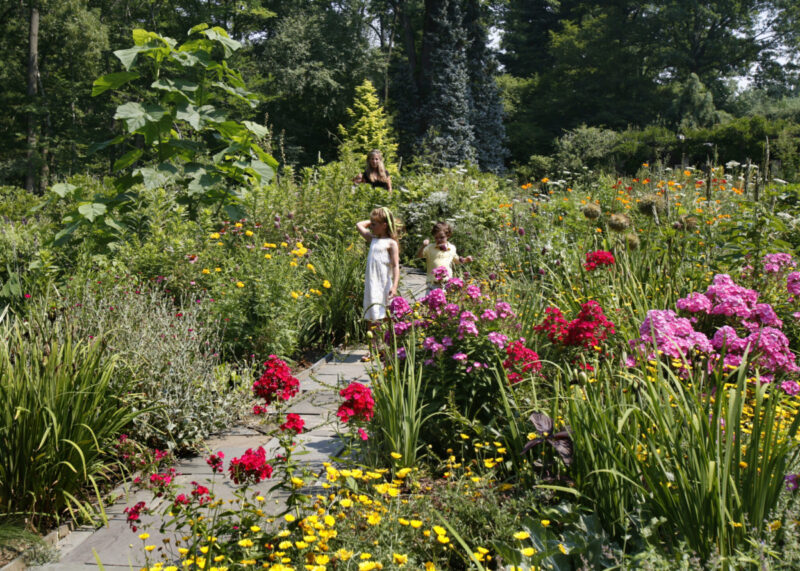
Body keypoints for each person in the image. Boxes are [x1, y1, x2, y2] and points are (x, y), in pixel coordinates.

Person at [356, 207, 400, 359]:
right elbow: (359, 224)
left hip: (384, 285)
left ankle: (388, 347)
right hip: (372, 284)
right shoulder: (372, 239)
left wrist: (394, 286)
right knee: (372, 316)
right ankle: (372, 348)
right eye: (372, 224)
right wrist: (374, 220)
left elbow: (395, 266)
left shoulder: (391, 243)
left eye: (375, 224)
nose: (372, 226)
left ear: (385, 225)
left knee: (387, 316)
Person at [416, 221, 472, 290]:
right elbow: (419, 255)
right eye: (436, 238)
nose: (439, 240)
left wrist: (466, 259)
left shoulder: (452, 248)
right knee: (431, 299)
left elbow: (456, 260)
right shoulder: (430, 248)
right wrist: (423, 246)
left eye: (442, 237)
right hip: (433, 282)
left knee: (445, 300)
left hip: (446, 282)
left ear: (448, 235)